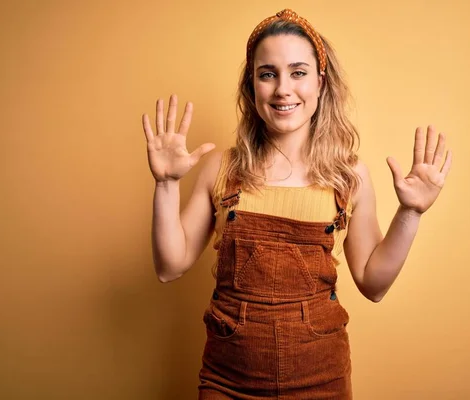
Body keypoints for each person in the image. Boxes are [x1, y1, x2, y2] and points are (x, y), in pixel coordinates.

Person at [141, 8, 452, 399]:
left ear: (320, 84)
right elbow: (169, 267)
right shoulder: (220, 168)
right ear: (251, 86)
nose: (282, 88)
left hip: (321, 380)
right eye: (267, 73)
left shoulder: (349, 175)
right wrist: (166, 184)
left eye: (298, 72)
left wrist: (410, 213)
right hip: (227, 382)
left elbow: (373, 284)